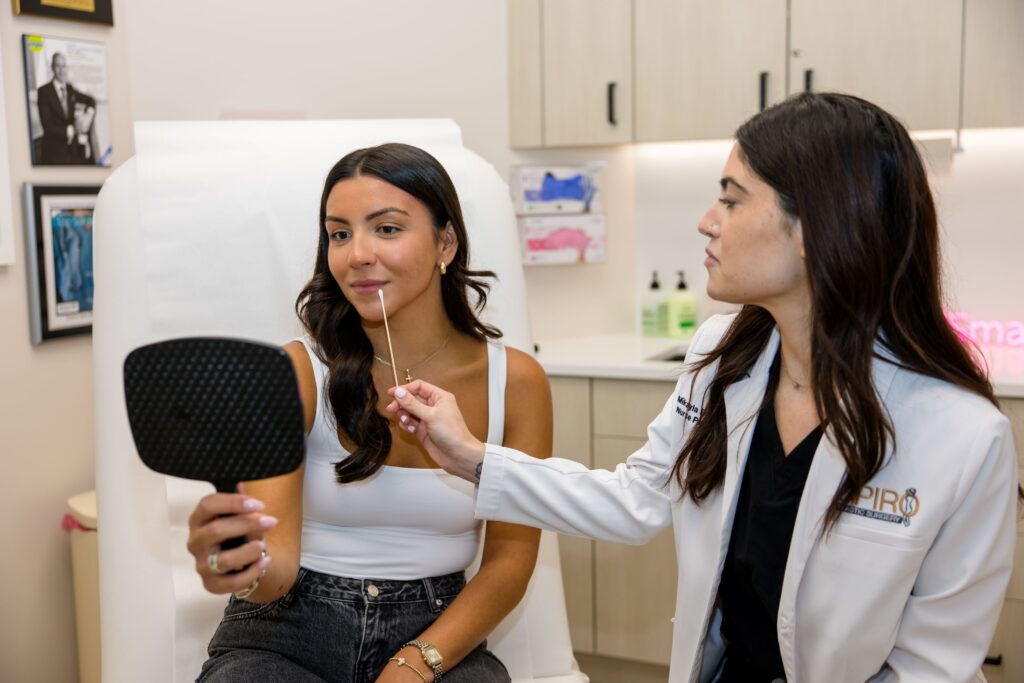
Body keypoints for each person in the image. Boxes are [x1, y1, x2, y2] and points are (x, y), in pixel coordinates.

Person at [387, 93, 1022, 683]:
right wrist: (472, 457)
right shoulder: (722, 359)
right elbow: (637, 499)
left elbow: (931, 667)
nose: (707, 222)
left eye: (732, 200)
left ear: (815, 228)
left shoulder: (961, 437)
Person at [186, 143, 552, 682]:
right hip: (285, 634)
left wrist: (414, 665)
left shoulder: (515, 382)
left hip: (437, 632)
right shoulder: (296, 372)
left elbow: (509, 563)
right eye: (339, 234)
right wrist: (241, 565)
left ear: (445, 242)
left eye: (386, 228)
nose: (356, 254)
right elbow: (275, 571)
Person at [35, 52, 96, 165]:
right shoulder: (43, 92)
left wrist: (88, 115)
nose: (62, 70)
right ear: (52, 68)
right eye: (58, 66)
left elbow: (91, 100)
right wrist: (71, 130)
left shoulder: (70, 88)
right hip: (53, 152)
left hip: (72, 150)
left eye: (64, 66)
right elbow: (47, 126)